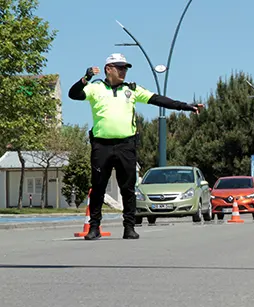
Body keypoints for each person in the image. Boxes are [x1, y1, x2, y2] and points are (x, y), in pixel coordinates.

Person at [68, 53, 203, 240]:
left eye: (125, 68)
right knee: (98, 187)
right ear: (109, 69)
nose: (124, 71)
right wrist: (86, 77)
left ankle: (129, 227)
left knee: (128, 188)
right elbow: (73, 94)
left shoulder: (131, 89)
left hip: (126, 145)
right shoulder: (95, 87)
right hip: (102, 145)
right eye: (120, 67)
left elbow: (158, 99)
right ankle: (94, 228)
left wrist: (186, 106)